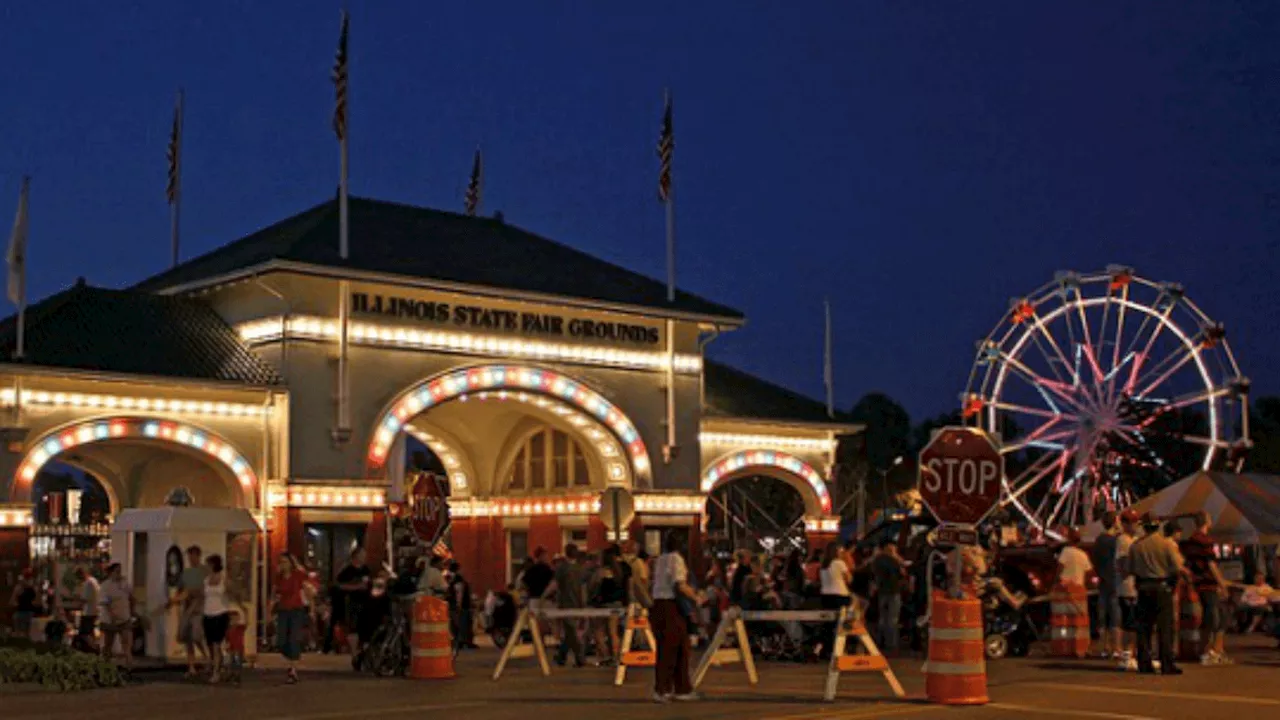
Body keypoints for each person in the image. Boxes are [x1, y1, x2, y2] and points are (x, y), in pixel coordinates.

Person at [1126, 515, 1186, 675]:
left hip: (1143, 588)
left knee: (1144, 628)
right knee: (1165, 628)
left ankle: (1144, 663)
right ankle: (1167, 663)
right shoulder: (1166, 544)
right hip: (1162, 587)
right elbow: (1177, 568)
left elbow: (1129, 569)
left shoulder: (1136, 546)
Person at [650, 532, 701, 703]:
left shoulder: (660, 560)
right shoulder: (676, 559)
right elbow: (679, 585)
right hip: (671, 605)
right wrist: (696, 597)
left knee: (669, 647)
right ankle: (668, 688)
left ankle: (675, 688)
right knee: (675, 648)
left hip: (659, 605)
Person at [1180, 511, 1231, 665]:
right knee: (1214, 617)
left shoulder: (1190, 541)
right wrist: (1222, 583)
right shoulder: (1205, 541)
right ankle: (1208, 651)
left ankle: (1214, 650)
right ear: (1206, 521)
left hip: (1197, 582)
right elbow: (1211, 564)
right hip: (1207, 583)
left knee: (1215, 616)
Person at [271, 553, 311, 684]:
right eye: (281, 562)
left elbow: (307, 587)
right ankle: (292, 658)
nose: (283, 564)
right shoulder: (279, 577)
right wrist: (270, 610)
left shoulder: (297, 575)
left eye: (286, 562)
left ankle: (293, 669)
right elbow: (274, 594)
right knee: (281, 640)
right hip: (283, 610)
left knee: (293, 638)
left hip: (296, 610)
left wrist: (312, 609)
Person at [169, 545, 208, 677]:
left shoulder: (205, 572)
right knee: (187, 637)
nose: (191, 559)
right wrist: (175, 600)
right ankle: (191, 666)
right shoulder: (186, 573)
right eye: (189, 556)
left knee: (197, 635)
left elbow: (205, 590)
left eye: (193, 556)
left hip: (199, 608)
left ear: (198, 556)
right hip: (187, 608)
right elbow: (181, 589)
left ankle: (207, 658)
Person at [546, 543, 586, 667]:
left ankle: (578, 658)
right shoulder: (580, 568)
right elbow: (583, 588)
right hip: (578, 603)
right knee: (570, 631)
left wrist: (544, 596)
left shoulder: (562, 568)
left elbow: (554, 584)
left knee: (571, 632)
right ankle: (562, 656)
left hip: (566, 603)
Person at [1091, 512, 1123, 659]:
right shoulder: (1115, 541)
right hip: (1115, 580)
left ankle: (1103, 648)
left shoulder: (1098, 540)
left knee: (1102, 616)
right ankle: (1116, 648)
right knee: (1116, 616)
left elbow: (1095, 561)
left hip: (1103, 580)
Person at [335, 547, 372, 665]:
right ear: (356, 556)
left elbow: (369, 583)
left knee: (365, 627)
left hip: (366, 601)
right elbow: (339, 586)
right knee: (353, 627)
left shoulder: (366, 569)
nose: (364, 557)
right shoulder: (347, 570)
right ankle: (355, 654)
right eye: (362, 555)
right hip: (352, 601)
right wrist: (356, 587)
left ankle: (364, 652)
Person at [202, 554, 234, 682]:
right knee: (210, 644)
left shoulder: (224, 579)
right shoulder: (206, 580)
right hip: (207, 613)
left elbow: (232, 593)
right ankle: (219, 665)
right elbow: (201, 596)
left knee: (216, 644)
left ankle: (216, 672)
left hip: (220, 613)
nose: (206, 567)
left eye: (208, 564)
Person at [1116, 509, 1141, 669]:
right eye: (1131, 522)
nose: (1135, 525)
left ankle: (1132, 653)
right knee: (1129, 623)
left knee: (1136, 622)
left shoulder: (1135, 540)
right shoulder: (1123, 541)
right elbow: (1122, 565)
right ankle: (1126, 654)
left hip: (1135, 587)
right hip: (1127, 588)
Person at [871, 541, 906, 653]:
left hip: (882, 591)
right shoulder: (894, 560)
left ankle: (879, 641)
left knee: (882, 617)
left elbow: (873, 573)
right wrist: (896, 557)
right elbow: (902, 573)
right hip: (893, 591)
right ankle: (891, 644)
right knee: (893, 618)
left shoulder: (877, 560)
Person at [818, 543, 852, 659]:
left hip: (826, 595)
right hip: (840, 594)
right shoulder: (839, 563)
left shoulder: (823, 565)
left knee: (828, 624)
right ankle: (841, 649)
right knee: (842, 624)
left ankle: (826, 648)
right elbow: (849, 579)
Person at [99, 562, 134, 670]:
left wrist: (132, 612)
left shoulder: (125, 584)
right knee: (108, 644)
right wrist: (112, 615)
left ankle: (129, 665)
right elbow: (106, 603)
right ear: (111, 572)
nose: (118, 573)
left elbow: (131, 597)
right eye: (116, 571)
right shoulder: (106, 585)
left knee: (127, 643)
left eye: (119, 570)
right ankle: (105, 665)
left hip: (124, 618)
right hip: (110, 620)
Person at [448, 562, 477, 649]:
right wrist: (459, 604)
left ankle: (460, 641)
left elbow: (458, 593)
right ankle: (463, 641)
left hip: (458, 605)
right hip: (462, 606)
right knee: (463, 624)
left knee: (459, 624)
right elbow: (459, 593)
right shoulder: (458, 579)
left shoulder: (454, 579)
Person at [74, 567, 101, 651]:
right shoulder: (94, 581)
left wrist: (77, 602)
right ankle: (93, 647)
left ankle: (94, 648)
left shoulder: (88, 583)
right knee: (90, 632)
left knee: (85, 633)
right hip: (95, 610)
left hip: (88, 612)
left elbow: (84, 599)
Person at [9, 569, 37, 639]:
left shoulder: (30, 588)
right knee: (21, 632)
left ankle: (23, 641)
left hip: (27, 611)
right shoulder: (19, 588)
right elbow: (12, 600)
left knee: (25, 632)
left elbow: (36, 599)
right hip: (22, 611)